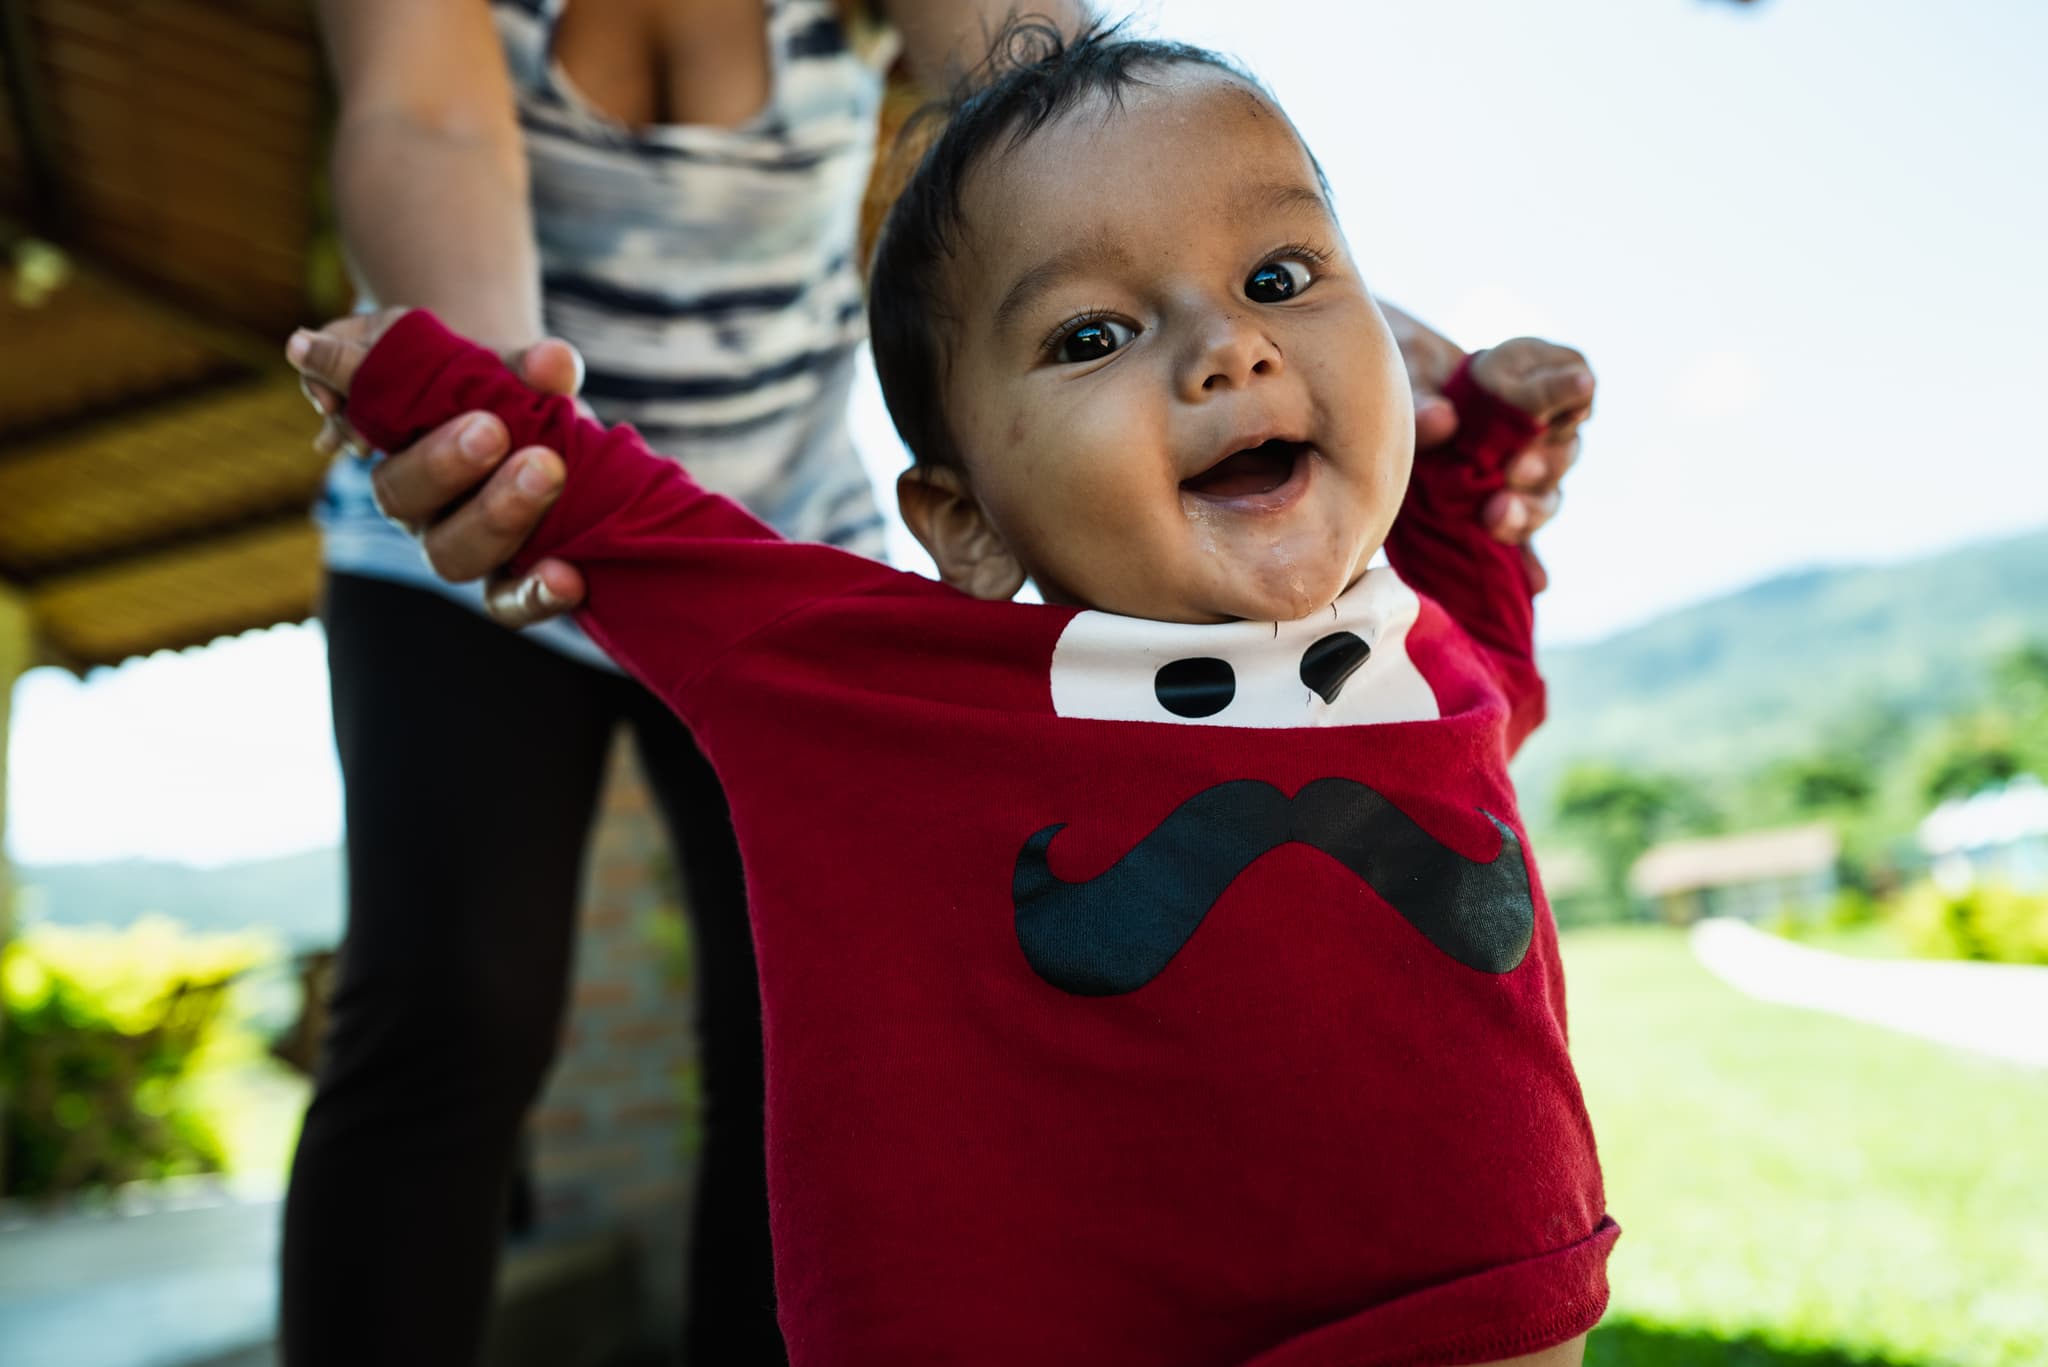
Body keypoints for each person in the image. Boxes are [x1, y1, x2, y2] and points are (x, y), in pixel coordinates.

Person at [289, 22, 1611, 1364]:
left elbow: (1073, 124)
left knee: (754, 1037)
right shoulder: (889, 697)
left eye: (1278, 276)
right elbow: (428, 126)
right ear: (965, 522)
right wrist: (471, 416)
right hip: (550, 503)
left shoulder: (1426, 653)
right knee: (453, 1006)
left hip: (1496, 1328)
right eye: (1095, 332)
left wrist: (1466, 452)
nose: (1230, 349)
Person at [289, 3, 1099, 1363]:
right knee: (449, 1007)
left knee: (805, 1032)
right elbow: (422, 116)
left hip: (771, 537)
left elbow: (1051, 97)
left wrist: (1278, 286)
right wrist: (508, 434)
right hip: (466, 520)